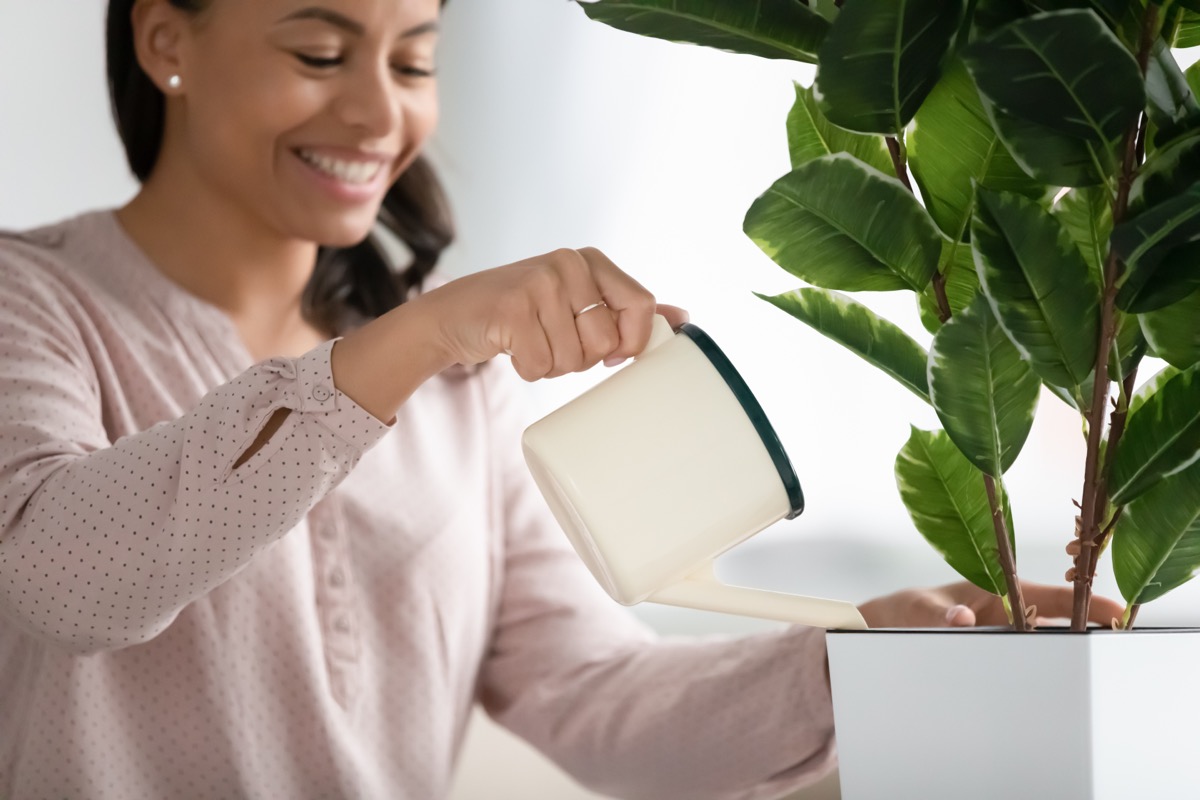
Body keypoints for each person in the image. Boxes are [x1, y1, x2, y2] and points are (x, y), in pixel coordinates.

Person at [0, 1, 1123, 798]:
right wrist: (418, 338)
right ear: (164, 39)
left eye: (412, 62)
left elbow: (591, 695)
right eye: (318, 50)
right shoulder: (31, 301)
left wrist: (857, 655)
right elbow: (63, 578)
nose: (376, 114)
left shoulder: (454, 391)